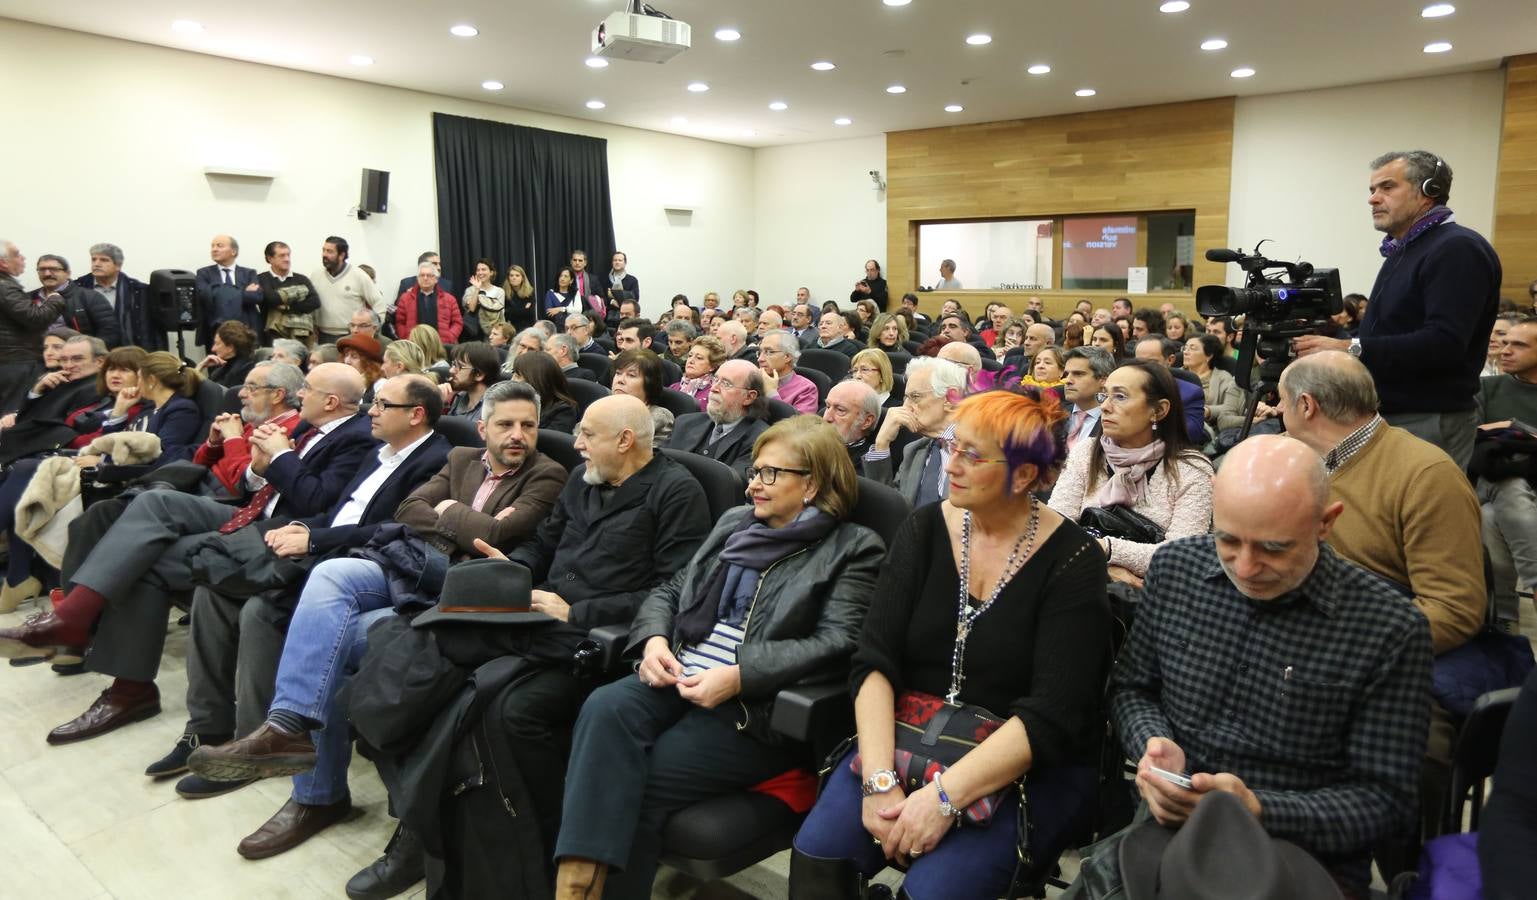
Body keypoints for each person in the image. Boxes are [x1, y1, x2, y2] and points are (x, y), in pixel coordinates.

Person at [183, 379, 565, 857]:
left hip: (464, 584)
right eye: (506, 424)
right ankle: (289, 732)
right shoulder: (460, 459)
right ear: (482, 427)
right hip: (410, 566)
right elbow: (408, 510)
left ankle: (315, 793)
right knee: (334, 575)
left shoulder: (547, 474)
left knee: (341, 640)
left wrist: (444, 510)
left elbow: (498, 532)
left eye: (528, 426)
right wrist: (457, 519)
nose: (518, 435)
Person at [793, 389, 1111, 900]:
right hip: (908, 734)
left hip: (1019, 761)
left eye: (972, 454)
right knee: (817, 856)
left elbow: (1052, 714)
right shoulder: (924, 528)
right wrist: (878, 780)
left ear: (1025, 475)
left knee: (935, 892)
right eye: (951, 445)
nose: (951, 463)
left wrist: (943, 798)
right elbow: (874, 662)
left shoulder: (1072, 560)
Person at [554, 415, 884, 900]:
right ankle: (575, 886)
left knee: (629, 782)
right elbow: (671, 590)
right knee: (603, 707)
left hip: (753, 707)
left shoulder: (852, 548)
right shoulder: (736, 523)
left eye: (771, 473)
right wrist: (653, 642)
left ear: (811, 483)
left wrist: (742, 675)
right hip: (679, 669)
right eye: (754, 471)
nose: (754, 484)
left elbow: (837, 642)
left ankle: (575, 887)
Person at [1100, 435, 1432, 899]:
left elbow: (1386, 801)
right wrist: (1155, 744)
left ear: (1326, 523)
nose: (1246, 566)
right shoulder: (1177, 571)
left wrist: (1257, 807)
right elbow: (1133, 688)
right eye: (1227, 540)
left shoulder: (1387, 628)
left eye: (1274, 548)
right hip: (1169, 829)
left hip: (1301, 855)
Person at [0, 363, 376, 741]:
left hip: (275, 527)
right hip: (245, 507)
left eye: (307, 388)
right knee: (147, 506)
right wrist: (260, 465)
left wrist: (277, 458)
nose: (300, 394)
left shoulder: (355, 436)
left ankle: (115, 671)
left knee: (144, 556)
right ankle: (81, 625)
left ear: (330, 401)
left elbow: (317, 500)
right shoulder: (308, 427)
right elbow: (251, 478)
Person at [1294, 151, 1501, 469]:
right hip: (1393, 412)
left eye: (1387, 187)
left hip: (1429, 418)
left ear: (1428, 191)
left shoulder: (1457, 248)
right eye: (1372, 189)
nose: (1373, 199)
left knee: (1422, 515)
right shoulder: (1403, 250)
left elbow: (1444, 343)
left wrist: (1350, 348)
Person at [1278, 352, 1484, 653]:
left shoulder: (1426, 475)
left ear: (1306, 406)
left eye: (1283, 400)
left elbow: (1453, 611)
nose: (1278, 409)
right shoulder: (1284, 457)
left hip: (1361, 651)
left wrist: (1340, 647)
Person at [1048, 359, 1214, 585]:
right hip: (1077, 581)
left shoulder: (1191, 470)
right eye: (1104, 395)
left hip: (1151, 596)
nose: (1105, 406)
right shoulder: (1087, 452)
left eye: (1120, 396)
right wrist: (1104, 567)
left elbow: (1180, 556)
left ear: (1159, 410)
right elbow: (1054, 527)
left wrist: (1106, 549)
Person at [1474, 318, 1537, 629]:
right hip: (1492, 479)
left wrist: (1514, 428)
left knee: (1489, 518)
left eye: (1519, 345)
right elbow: (1471, 434)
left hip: (1512, 494)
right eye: (1505, 342)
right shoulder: (1487, 387)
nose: (1504, 350)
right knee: (1510, 485)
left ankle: (1503, 621)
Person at [865, 357, 969, 507]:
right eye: (905, 398)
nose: (905, 407)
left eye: (915, 397)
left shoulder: (980, 449)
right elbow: (889, 509)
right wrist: (881, 443)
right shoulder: (913, 451)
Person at [666, 359, 770, 480]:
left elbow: (732, 486)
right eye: (715, 379)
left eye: (726, 384)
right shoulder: (684, 423)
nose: (714, 388)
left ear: (749, 397)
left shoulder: (761, 440)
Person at [1, 239, 68, 413]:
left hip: (10, 360)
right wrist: (55, 299)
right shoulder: (5, 287)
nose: (22, 258)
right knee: (12, 412)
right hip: (16, 361)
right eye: (16, 254)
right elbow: (36, 318)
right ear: (2, 262)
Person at [72, 242, 162, 351]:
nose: (97, 264)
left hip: (128, 352)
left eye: (104, 260)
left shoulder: (138, 290)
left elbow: (147, 328)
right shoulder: (77, 288)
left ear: (118, 266)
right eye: (94, 259)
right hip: (89, 351)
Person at [32, 254, 120, 348]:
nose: (47, 274)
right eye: (42, 269)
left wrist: (89, 352)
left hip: (77, 356)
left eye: (54, 269)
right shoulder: (28, 298)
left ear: (68, 273)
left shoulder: (90, 297)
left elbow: (110, 332)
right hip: (37, 357)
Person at [1132, 338, 1207, 445]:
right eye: (1139, 362)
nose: (1144, 368)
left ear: (1170, 360)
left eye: (1152, 362)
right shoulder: (1124, 386)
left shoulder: (1190, 393)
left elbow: (1192, 433)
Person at [313, 236, 386, 344]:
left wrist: (374, 330)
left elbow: (378, 302)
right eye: (323, 250)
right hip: (323, 336)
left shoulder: (359, 275)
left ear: (341, 255)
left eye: (329, 251)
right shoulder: (316, 275)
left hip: (351, 335)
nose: (324, 255)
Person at [194, 234, 262, 345]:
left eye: (219, 246)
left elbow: (256, 297)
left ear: (233, 251)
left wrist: (219, 292)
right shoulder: (204, 273)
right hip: (215, 330)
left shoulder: (249, 273)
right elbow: (204, 296)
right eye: (213, 246)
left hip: (245, 329)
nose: (214, 249)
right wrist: (243, 292)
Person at [254, 241, 321, 345]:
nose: (287, 259)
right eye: (281, 255)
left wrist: (288, 308)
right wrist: (299, 292)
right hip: (271, 338)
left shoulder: (301, 278)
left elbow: (315, 302)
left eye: (288, 255)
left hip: (299, 337)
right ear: (270, 258)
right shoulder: (261, 279)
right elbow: (271, 299)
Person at [1182, 334, 1247, 433]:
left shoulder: (1223, 378)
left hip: (1209, 429)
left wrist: (1208, 411)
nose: (1186, 352)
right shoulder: (1175, 375)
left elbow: (1231, 408)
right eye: (1185, 348)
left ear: (1209, 355)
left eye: (1192, 348)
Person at [609, 348, 675, 444]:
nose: (620, 380)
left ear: (649, 383)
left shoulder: (658, 417)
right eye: (618, 373)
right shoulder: (603, 407)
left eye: (631, 375)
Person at [1060, 346, 1113, 454]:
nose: (1068, 380)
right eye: (1066, 374)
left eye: (1078, 374)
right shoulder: (1055, 415)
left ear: (1103, 380)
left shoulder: (1115, 420)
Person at [395, 262, 464, 344]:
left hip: (441, 345)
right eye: (422, 275)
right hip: (414, 346)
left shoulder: (449, 299)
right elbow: (400, 322)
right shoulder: (405, 298)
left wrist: (449, 337)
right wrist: (406, 338)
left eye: (429, 275)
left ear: (436, 279)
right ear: (417, 278)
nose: (425, 278)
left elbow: (457, 322)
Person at [822, 379, 880, 471]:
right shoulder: (809, 444)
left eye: (840, 410)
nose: (826, 418)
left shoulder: (868, 466)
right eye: (828, 406)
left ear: (866, 421)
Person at [757, 329, 819, 415]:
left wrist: (771, 393)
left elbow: (798, 425)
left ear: (787, 356)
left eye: (769, 352)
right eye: (759, 352)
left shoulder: (806, 389)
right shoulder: (754, 379)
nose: (760, 359)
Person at [443, 342, 499, 418]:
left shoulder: (493, 410)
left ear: (479, 375)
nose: (451, 370)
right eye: (453, 364)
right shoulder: (457, 396)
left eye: (459, 366)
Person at [197, 320, 259, 389]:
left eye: (217, 344)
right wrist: (201, 366)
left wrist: (199, 368)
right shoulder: (226, 366)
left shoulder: (239, 372)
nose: (213, 349)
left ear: (230, 347)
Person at [671, 335, 725, 413]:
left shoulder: (713, 393)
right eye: (690, 356)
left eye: (699, 358)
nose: (691, 361)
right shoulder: (673, 387)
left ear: (712, 366)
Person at [462, 257, 506, 338]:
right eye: (478, 270)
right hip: (473, 333)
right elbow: (471, 308)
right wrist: (477, 289)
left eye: (483, 269)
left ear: (491, 272)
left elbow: (501, 314)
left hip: (492, 334)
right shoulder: (470, 290)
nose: (480, 272)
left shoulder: (499, 291)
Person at [337, 333, 386, 398]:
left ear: (369, 363)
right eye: (346, 355)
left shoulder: (380, 385)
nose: (347, 361)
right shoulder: (340, 383)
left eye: (354, 357)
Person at [1483, 312, 1522, 377]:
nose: (1491, 339)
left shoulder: (1527, 373)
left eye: (1501, 333)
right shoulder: (1476, 368)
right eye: (1488, 333)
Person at [501, 264, 538, 331]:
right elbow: (506, 315)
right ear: (508, 278)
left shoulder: (530, 292)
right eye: (511, 275)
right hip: (511, 329)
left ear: (522, 278)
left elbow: (530, 313)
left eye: (517, 275)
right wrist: (523, 309)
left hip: (528, 328)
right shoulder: (503, 293)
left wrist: (513, 311)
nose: (514, 277)